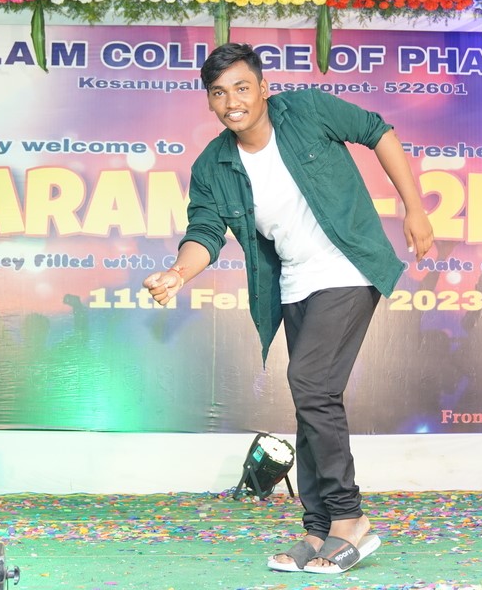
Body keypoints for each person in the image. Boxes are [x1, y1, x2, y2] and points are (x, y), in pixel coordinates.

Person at [142, 43, 434, 574]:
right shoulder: (214, 165)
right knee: (310, 400)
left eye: (241, 88)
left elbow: (378, 132)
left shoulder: (306, 110)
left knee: (310, 383)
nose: (232, 102)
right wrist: (178, 273)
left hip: (348, 266)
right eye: (219, 93)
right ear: (209, 101)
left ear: (263, 88)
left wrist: (415, 209)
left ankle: (350, 519)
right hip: (295, 284)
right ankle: (318, 529)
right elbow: (205, 231)